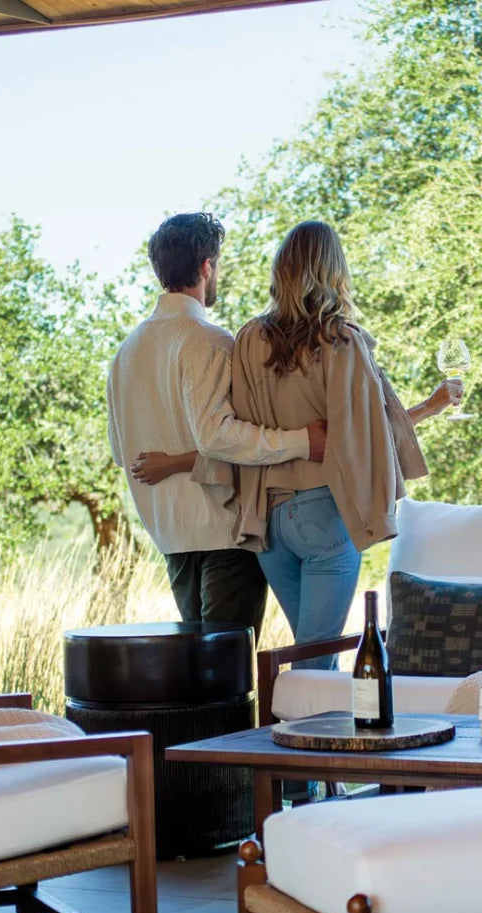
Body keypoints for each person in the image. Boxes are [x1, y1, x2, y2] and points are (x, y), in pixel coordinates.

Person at [132, 220, 460, 669]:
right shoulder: (342, 339)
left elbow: (235, 430)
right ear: (334, 271)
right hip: (323, 514)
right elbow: (364, 432)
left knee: (309, 655)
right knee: (316, 666)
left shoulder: (248, 338)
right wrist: (429, 408)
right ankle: (298, 733)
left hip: (268, 522)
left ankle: (286, 729)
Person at [107, 212, 328, 640]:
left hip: (170, 536)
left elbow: (122, 453)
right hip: (225, 529)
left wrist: (172, 460)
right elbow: (219, 435)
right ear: (207, 265)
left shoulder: (126, 352)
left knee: (200, 675)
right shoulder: (207, 340)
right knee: (227, 679)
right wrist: (303, 441)